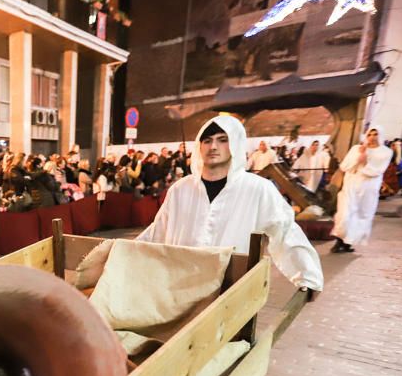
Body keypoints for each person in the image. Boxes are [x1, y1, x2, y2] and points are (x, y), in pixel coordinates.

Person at [137, 115, 323, 296]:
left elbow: (285, 231)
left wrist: (308, 276)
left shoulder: (257, 189)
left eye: (222, 140)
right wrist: (117, 253)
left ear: (235, 144)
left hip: (229, 293)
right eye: (207, 141)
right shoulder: (181, 189)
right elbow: (158, 231)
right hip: (178, 289)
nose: (213, 146)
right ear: (199, 146)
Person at [331, 126, 393, 253]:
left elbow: (378, 170)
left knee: (362, 215)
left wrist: (365, 163)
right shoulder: (356, 149)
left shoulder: (385, 152)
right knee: (345, 213)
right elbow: (344, 166)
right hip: (351, 185)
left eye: (375, 134)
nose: (372, 137)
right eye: (370, 134)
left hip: (369, 188)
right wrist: (359, 155)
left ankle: (349, 242)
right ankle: (339, 241)